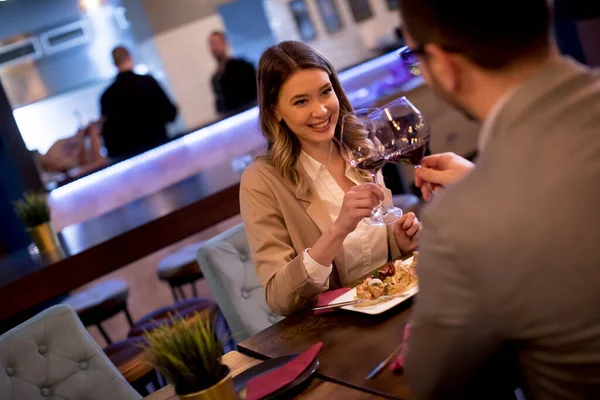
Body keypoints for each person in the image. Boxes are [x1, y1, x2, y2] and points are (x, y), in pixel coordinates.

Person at [397, 0, 600, 398]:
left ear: (442, 64)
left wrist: (476, 198)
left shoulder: (463, 221)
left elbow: (433, 382)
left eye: (415, 58)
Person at [240, 41, 421, 316]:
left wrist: (399, 243)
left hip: (391, 308)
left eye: (325, 92)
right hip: (334, 331)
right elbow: (278, 298)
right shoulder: (262, 180)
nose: (321, 111)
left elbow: (373, 261)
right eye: (301, 101)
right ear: (275, 111)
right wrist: (339, 229)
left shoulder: (360, 147)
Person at [100, 46, 178, 160]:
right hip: (160, 149)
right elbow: (170, 114)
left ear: (114, 63)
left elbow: (110, 140)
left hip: (132, 159)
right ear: (131, 57)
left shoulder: (107, 96)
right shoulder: (149, 83)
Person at [209, 31, 258, 115]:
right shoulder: (215, 79)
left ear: (225, 44)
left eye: (217, 43)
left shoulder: (243, 67)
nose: (215, 47)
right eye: (212, 44)